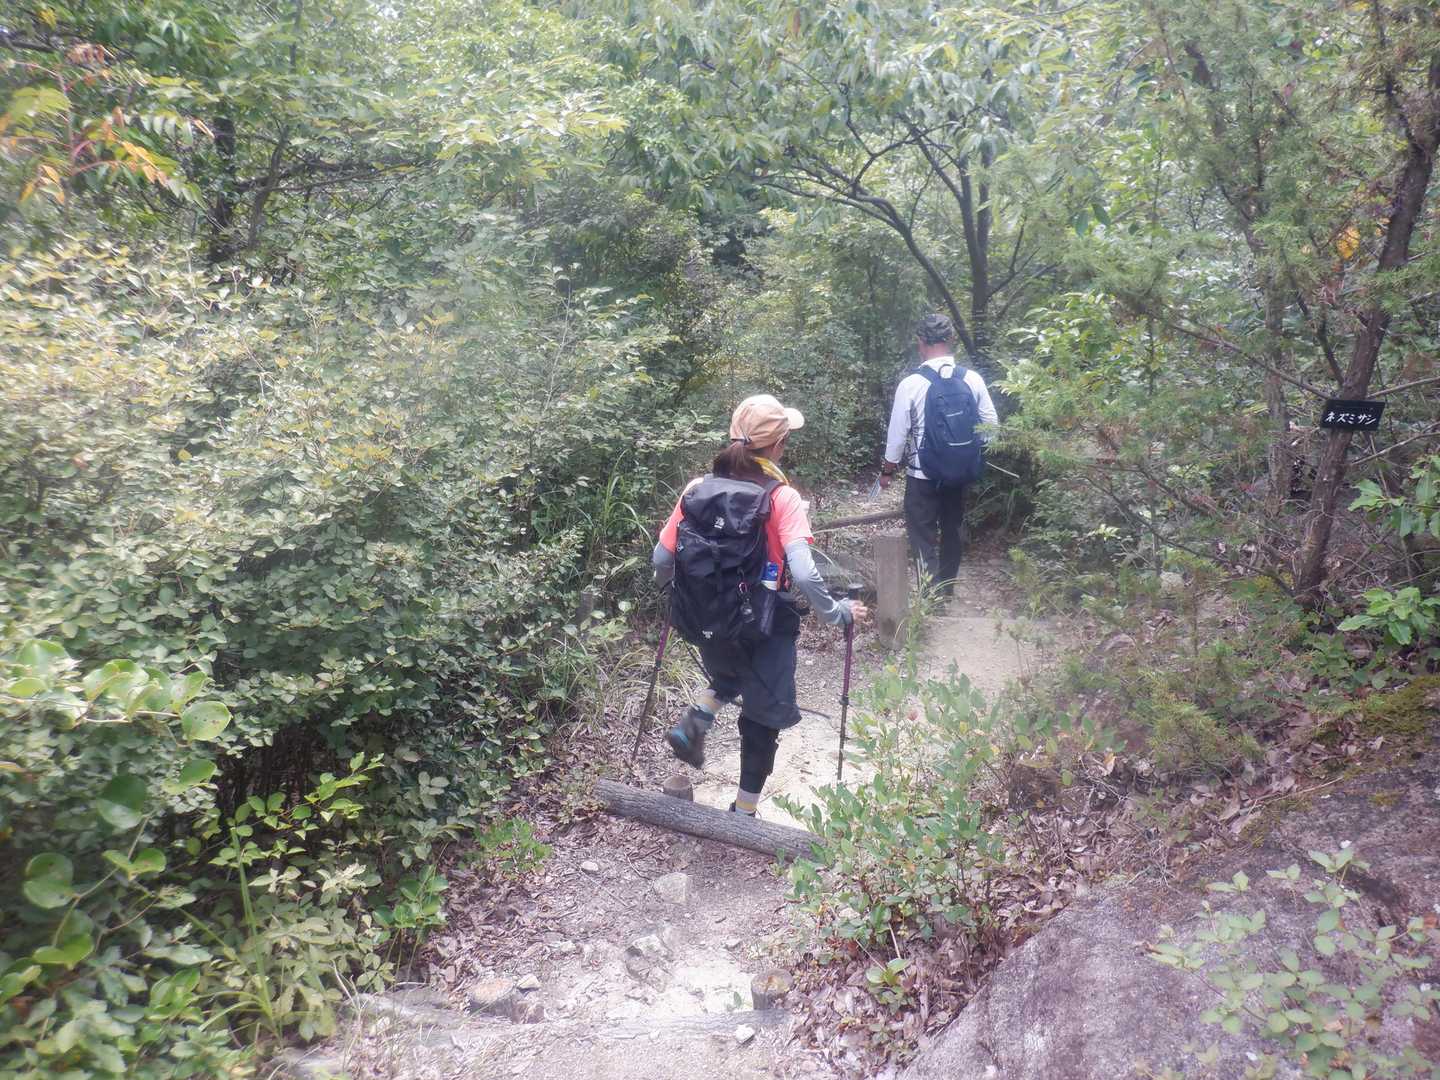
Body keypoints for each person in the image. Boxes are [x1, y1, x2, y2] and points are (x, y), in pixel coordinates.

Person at [652, 394, 869, 816]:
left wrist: (682, 599)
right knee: (763, 718)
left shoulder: (696, 490)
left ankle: (695, 721)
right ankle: (744, 812)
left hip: (710, 617)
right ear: (779, 444)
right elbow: (803, 573)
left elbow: (662, 558)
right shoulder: (782, 498)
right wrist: (836, 613)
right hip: (767, 623)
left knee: (729, 673)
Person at [879, 314, 999, 595]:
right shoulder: (972, 379)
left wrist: (887, 472)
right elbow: (991, 426)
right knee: (953, 530)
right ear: (952, 340)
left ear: (920, 342)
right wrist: (968, 454)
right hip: (959, 474)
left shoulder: (911, 384)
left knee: (922, 534)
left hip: (922, 474)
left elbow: (897, 437)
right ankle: (946, 590)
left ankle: (931, 594)